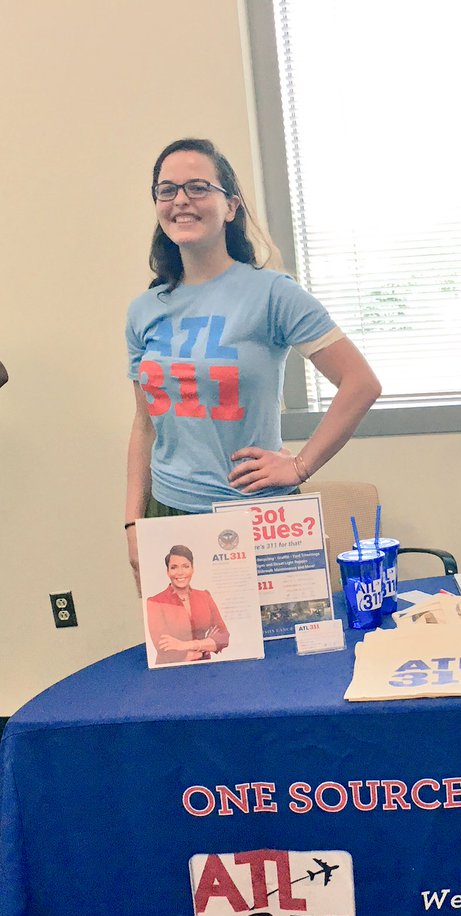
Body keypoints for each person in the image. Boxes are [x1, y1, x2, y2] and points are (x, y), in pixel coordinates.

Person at [124, 138, 381, 590]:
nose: (181, 200)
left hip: (259, 517)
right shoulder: (143, 310)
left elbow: (360, 383)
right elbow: (144, 426)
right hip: (168, 513)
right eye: (167, 190)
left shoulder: (272, 293)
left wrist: (300, 466)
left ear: (231, 207)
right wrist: (132, 522)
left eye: (198, 187)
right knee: (197, 656)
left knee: (286, 658)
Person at [145, 545, 230, 665]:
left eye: (185, 566)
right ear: (168, 572)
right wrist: (205, 646)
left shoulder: (205, 596)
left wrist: (183, 645)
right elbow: (164, 648)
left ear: (192, 569)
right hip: (169, 669)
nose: (180, 572)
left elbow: (223, 637)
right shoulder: (155, 602)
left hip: (205, 667)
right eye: (174, 567)